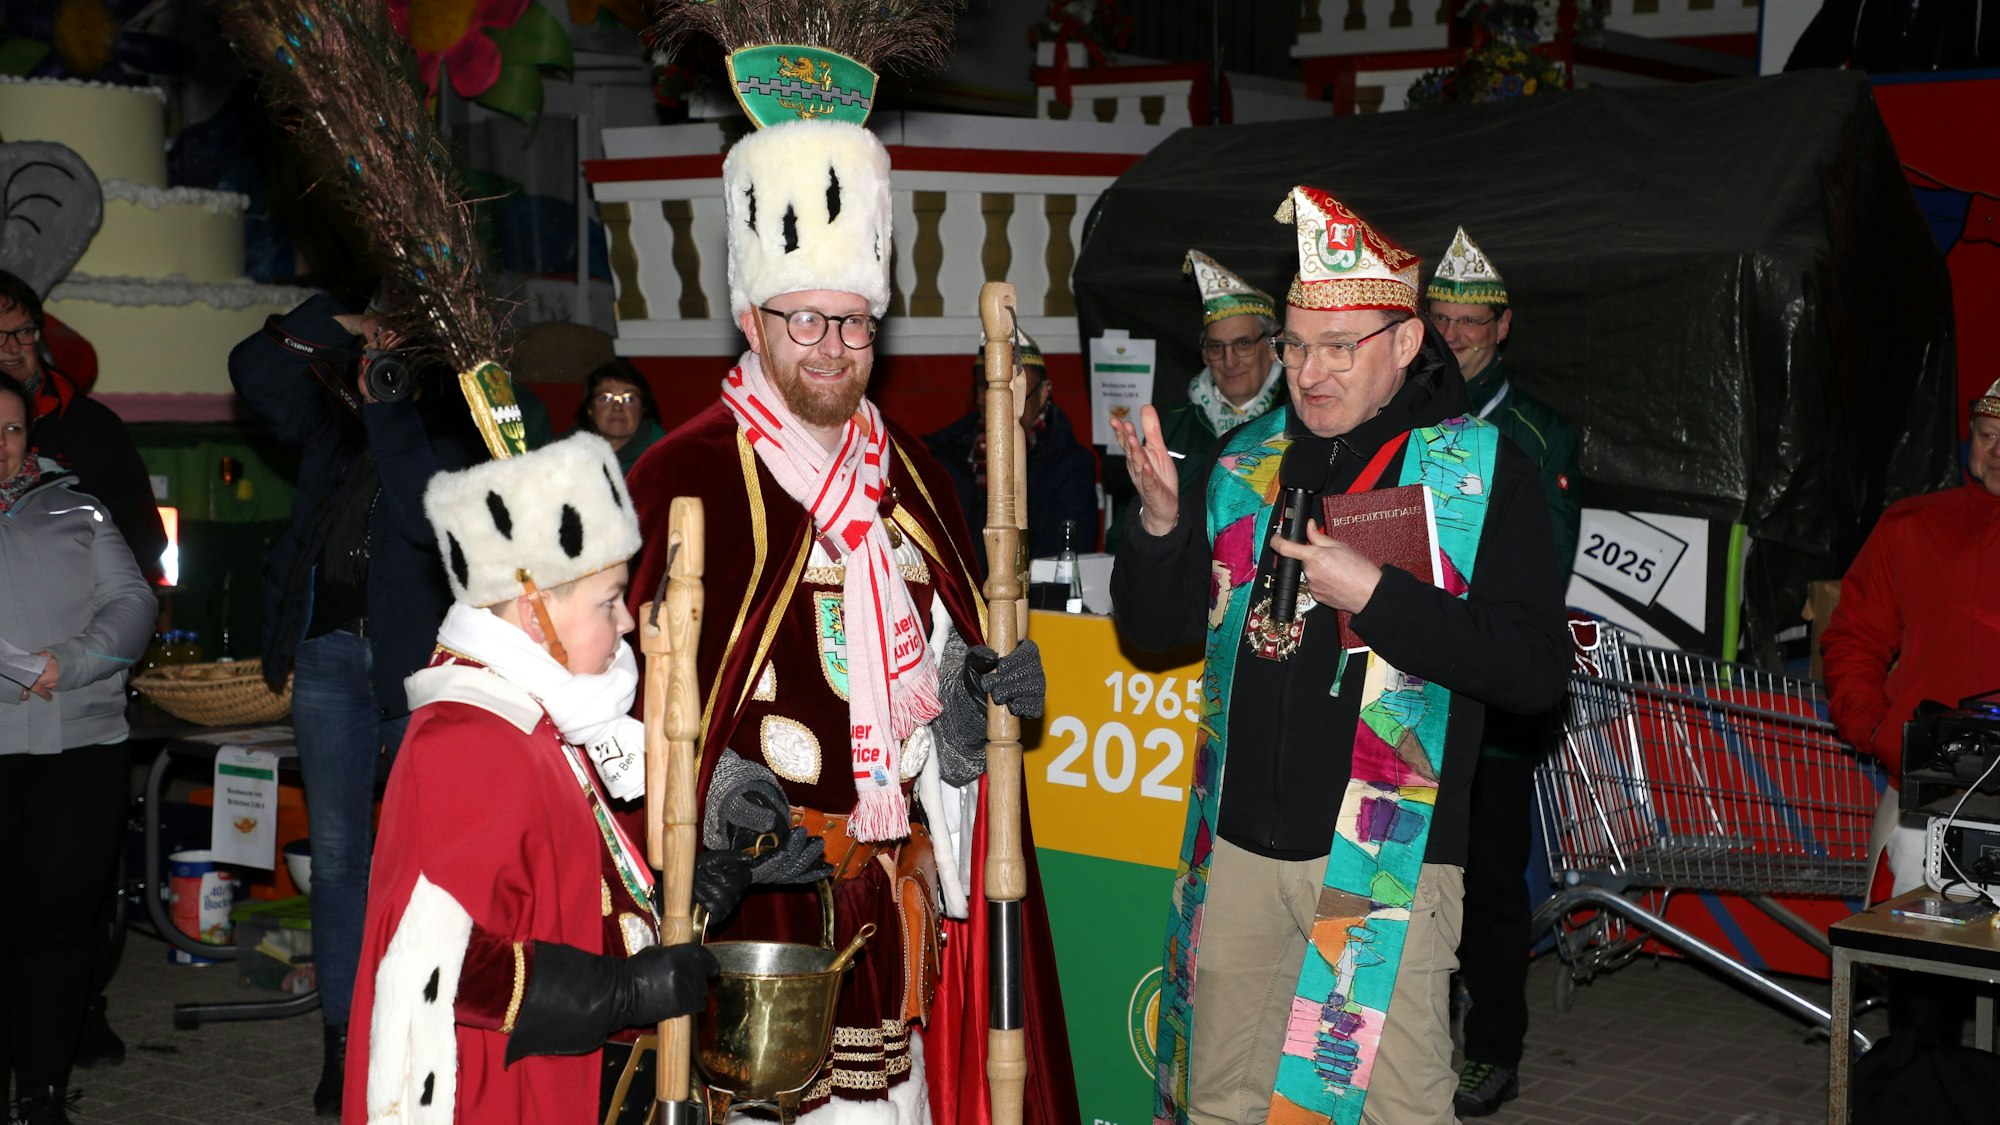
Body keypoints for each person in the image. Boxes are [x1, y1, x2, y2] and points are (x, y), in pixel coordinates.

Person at [626, 111, 1075, 1123]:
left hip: (888, 902)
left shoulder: (914, 476)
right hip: (758, 911)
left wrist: (975, 704)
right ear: (752, 320)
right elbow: (628, 699)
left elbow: (946, 708)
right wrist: (728, 809)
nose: (831, 347)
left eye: (853, 322)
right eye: (805, 320)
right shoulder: (682, 476)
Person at [1110, 186, 1569, 1125]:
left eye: (1336, 347)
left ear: (1405, 341)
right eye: (1294, 345)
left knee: (1396, 1111)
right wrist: (1160, 526)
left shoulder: (1475, 473)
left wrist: (1380, 597)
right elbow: (1154, 631)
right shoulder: (1247, 464)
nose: (1307, 372)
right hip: (1237, 848)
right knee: (1224, 1105)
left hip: (1386, 857)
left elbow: (1534, 672)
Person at [342, 431, 754, 1122]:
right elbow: (446, 964)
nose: (627, 621)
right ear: (536, 613)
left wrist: (674, 896)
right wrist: (622, 992)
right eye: (610, 600)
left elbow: (569, 875)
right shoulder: (469, 738)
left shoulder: (547, 711)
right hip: (495, 1089)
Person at [229, 294, 477, 1117]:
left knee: (426, 867)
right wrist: (338, 323)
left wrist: (395, 407)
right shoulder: (332, 412)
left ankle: (413, 1030)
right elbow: (251, 370)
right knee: (338, 862)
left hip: (419, 668)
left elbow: (418, 520)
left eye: (409, 335)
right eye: (386, 328)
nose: (391, 346)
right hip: (330, 656)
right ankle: (341, 1042)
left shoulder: (460, 423)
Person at [1424, 227, 1581, 1118]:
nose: (1455, 337)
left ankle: (1493, 1047)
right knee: (1406, 873)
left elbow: (1536, 568)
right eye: (1440, 319)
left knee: (1488, 882)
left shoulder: (1539, 432)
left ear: (1503, 325)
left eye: (1470, 323)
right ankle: (1410, 1030)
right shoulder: (1405, 410)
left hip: (1494, 698)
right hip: (1412, 686)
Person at [1822, 378, 2000, 1048]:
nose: (1998, 451)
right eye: (1987, 436)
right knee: (1923, 989)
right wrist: (1877, 727)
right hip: (1931, 796)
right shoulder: (1914, 524)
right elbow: (1854, 636)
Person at [0, 373, 157, 1125]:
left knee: (58, 926)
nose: (0, 445)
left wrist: (74, 659)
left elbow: (132, 602)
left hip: (80, 743)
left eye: (11, 429)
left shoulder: (79, 506)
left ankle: (42, 1092)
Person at [1107, 251, 1285, 550]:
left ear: (1270, 347)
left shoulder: (1296, 418)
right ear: (1204, 355)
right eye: (1216, 347)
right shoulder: (1171, 426)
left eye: (1242, 344)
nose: (1229, 361)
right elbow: (1122, 536)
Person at [0, 271, 165, 585]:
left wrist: (74, 587)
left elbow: (144, 537)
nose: (12, 347)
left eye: (23, 331)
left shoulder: (91, 425)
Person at [924, 334, 1099, 573]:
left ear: (1044, 392)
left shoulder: (1071, 467)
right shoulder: (947, 458)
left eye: (1016, 391)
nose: (1001, 402)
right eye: (989, 387)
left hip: (1031, 605)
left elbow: (1063, 562)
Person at [573, 359, 666, 476]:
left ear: (643, 408)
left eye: (628, 399)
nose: (617, 407)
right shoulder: (567, 455)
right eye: (606, 398)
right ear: (590, 409)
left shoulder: (662, 459)